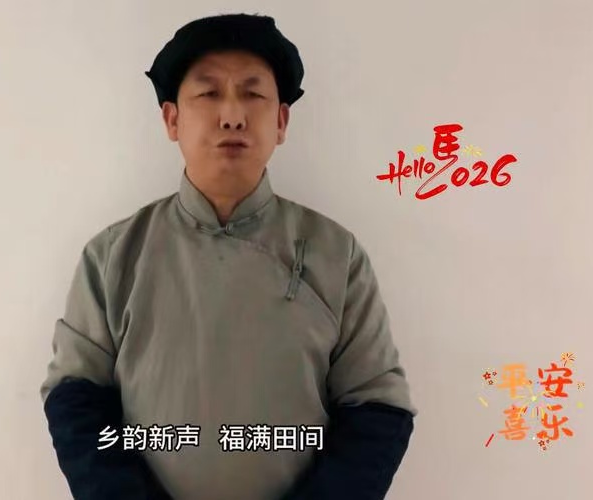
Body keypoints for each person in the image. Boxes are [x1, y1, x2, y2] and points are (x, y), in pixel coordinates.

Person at [40, 12, 417, 500]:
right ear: (172, 119)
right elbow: (76, 399)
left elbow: (378, 406)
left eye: (253, 94)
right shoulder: (114, 255)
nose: (233, 115)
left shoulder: (335, 254)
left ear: (281, 121)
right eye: (209, 93)